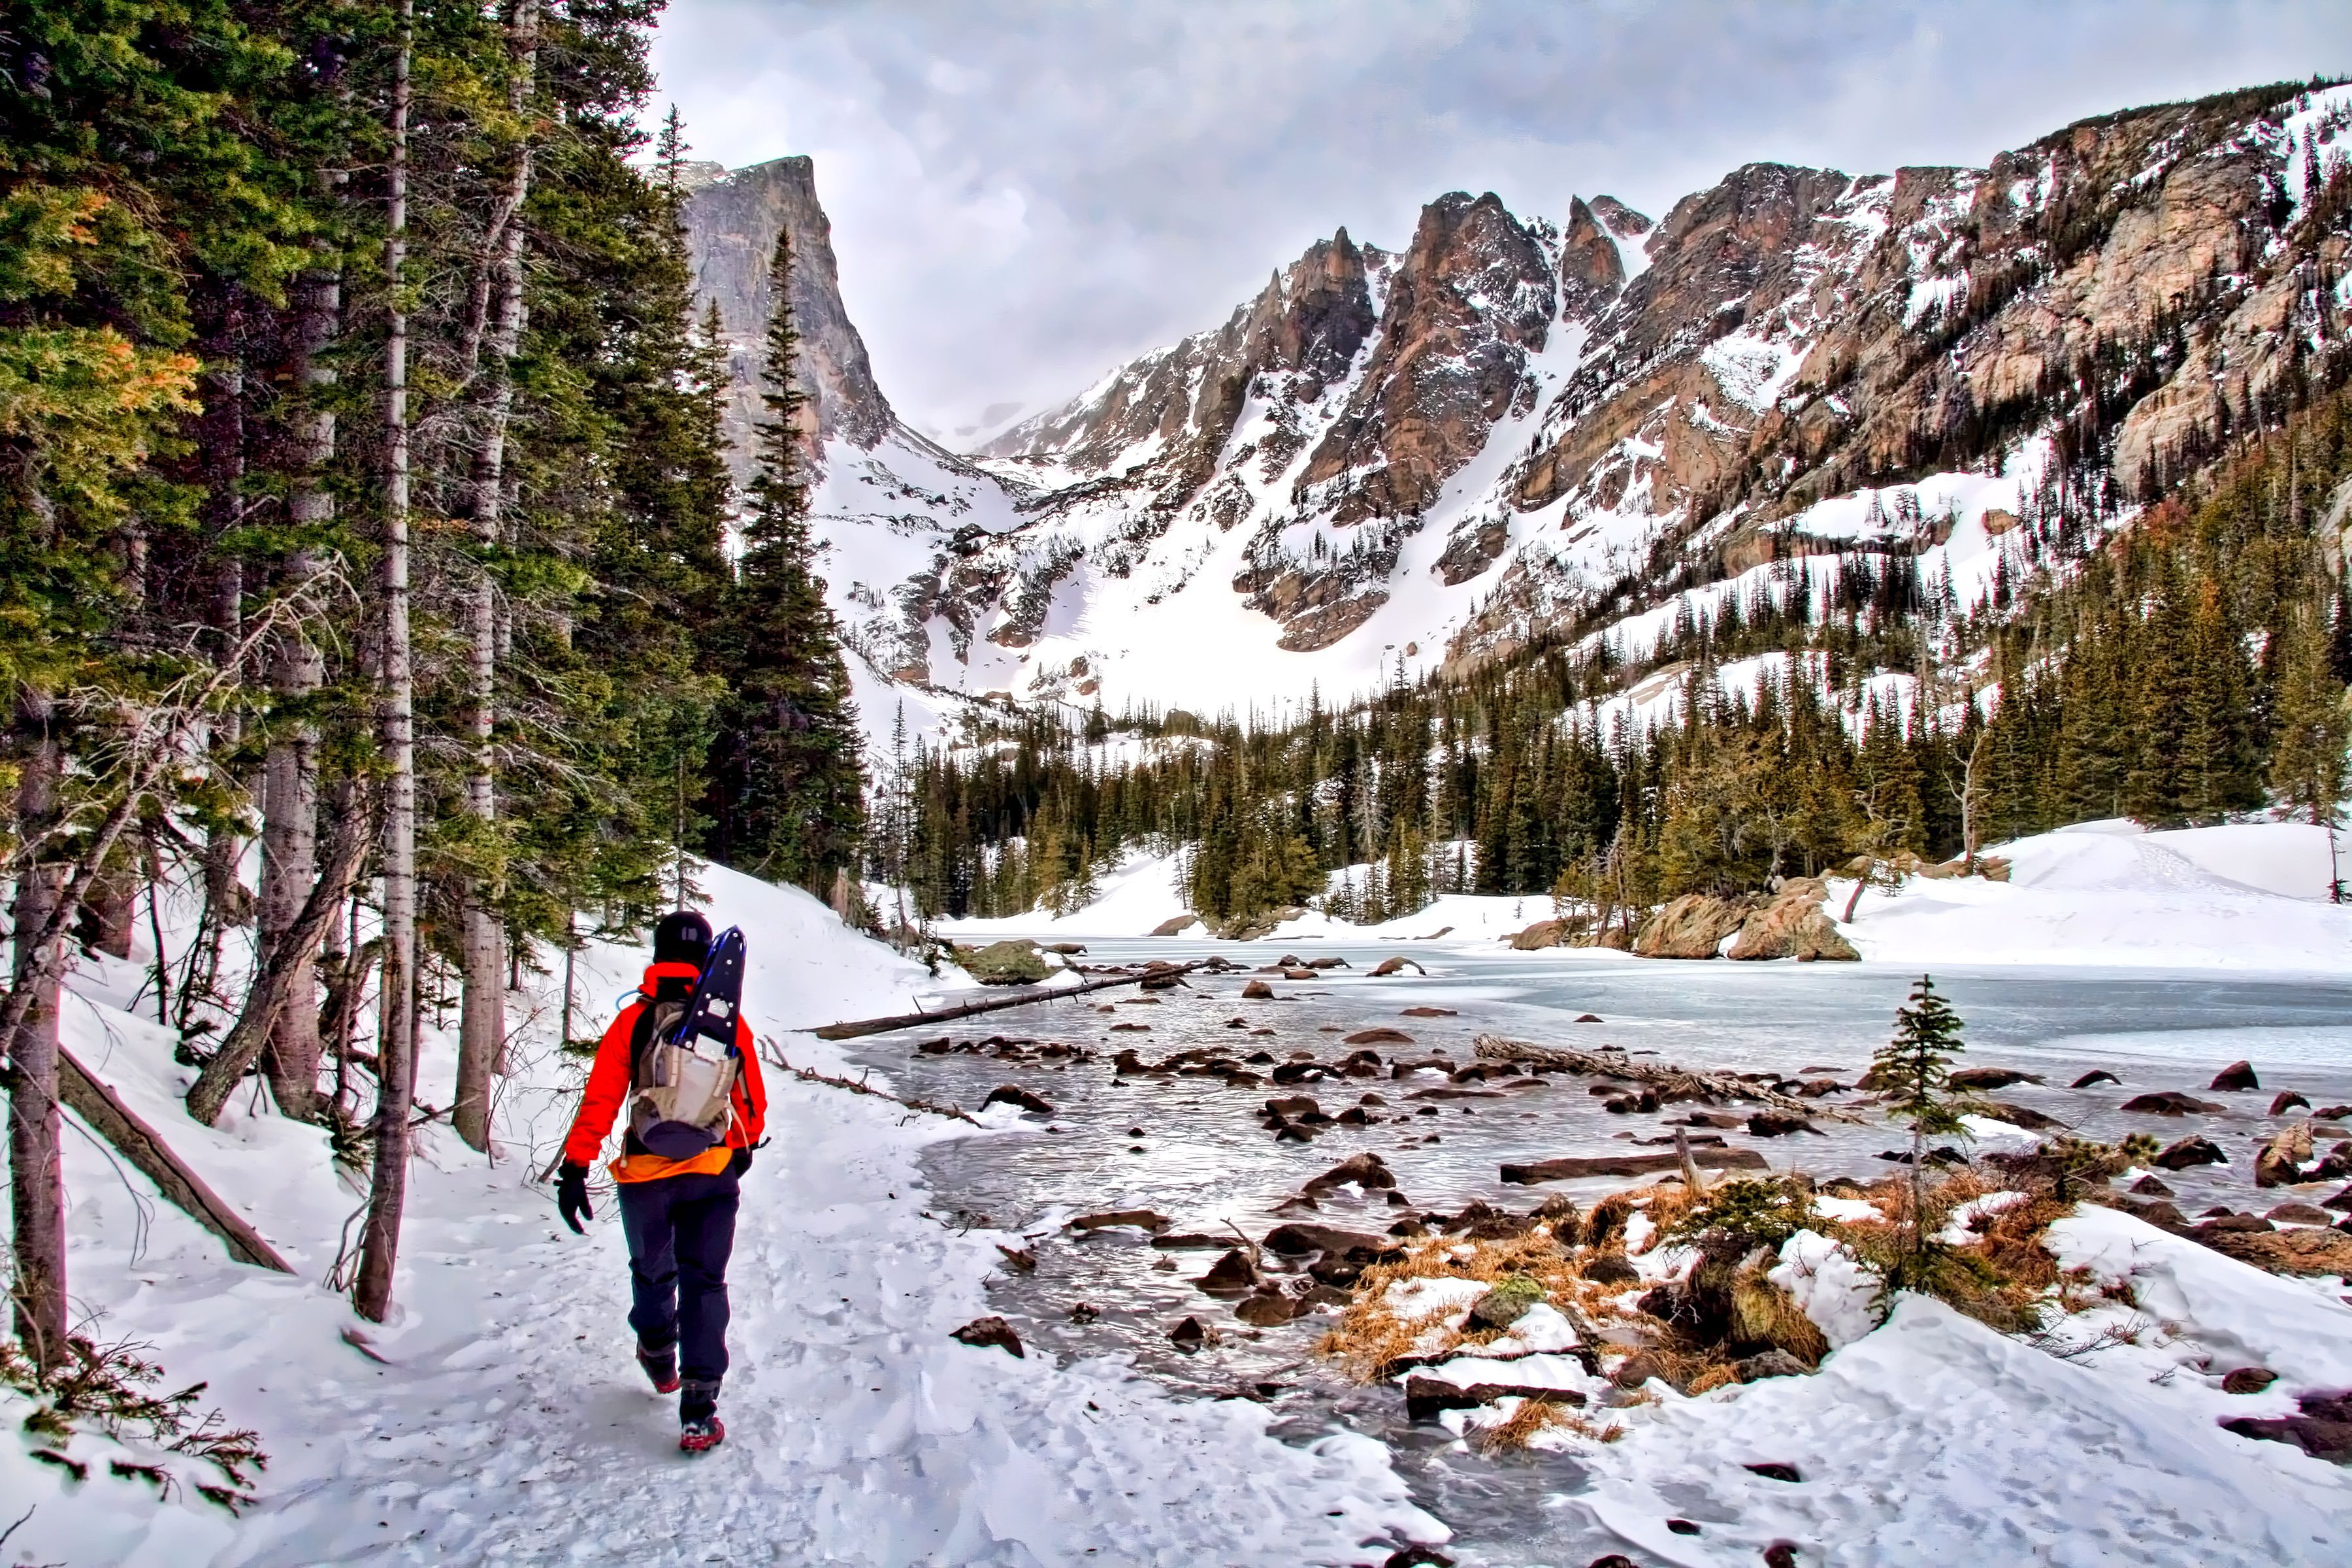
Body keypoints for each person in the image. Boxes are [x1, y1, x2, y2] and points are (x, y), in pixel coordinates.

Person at [557, 911, 766, 1453]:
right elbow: (751, 1101)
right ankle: (699, 1409)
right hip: (711, 1171)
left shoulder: (634, 1021)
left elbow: (601, 1100)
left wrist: (576, 1166)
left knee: (652, 1273)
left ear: (657, 954)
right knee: (705, 1283)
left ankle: (656, 1353)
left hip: (645, 1175)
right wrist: (739, 1149)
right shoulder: (728, 1023)